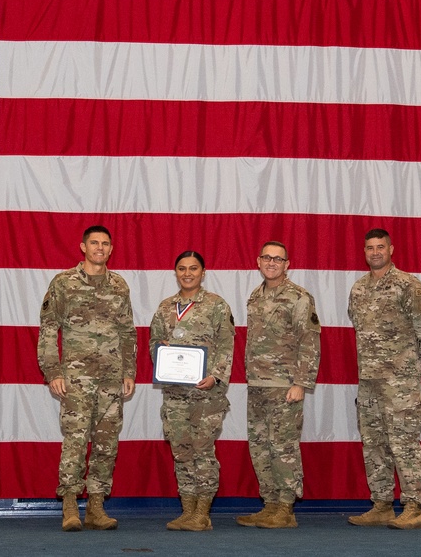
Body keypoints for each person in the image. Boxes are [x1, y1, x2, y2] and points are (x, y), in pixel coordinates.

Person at [37, 225, 138, 531]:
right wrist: (52, 371)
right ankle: (70, 504)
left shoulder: (119, 285)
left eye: (105, 243)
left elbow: (127, 331)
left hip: (110, 378)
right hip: (75, 378)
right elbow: (48, 328)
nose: (99, 248)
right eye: (94, 243)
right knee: (76, 440)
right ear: (82, 247)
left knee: (107, 444)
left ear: (111, 248)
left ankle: (96, 505)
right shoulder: (63, 283)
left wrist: (129, 371)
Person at [346, 228, 421, 530]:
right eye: (369, 248)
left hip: (400, 381)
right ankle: (382, 504)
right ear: (364, 252)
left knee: (403, 443)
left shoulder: (408, 284)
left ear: (391, 249)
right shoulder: (359, 289)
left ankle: (413, 506)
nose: (375, 252)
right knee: (374, 443)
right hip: (369, 381)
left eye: (380, 247)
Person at [237, 241, 321, 529]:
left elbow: (309, 342)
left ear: (287, 265)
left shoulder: (298, 297)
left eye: (278, 259)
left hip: (285, 385)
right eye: (267, 258)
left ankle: (286, 508)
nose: (271, 263)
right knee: (260, 446)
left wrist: (301, 382)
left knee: (282, 446)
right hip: (258, 384)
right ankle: (270, 503)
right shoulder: (255, 296)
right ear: (258, 261)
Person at [149, 251, 235, 531]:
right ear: (175, 272)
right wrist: (160, 350)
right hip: (175, 396)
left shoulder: (216, 305)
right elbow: (153, 344)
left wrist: (216, 376)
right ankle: (187, 511)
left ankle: (203, 513)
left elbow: (226, 346)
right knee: (181, 452)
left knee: (203, 452)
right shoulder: (165, 307)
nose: (188, 273)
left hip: (206, 395)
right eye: (182, 268)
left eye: (193, 268)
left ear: (203, 272)